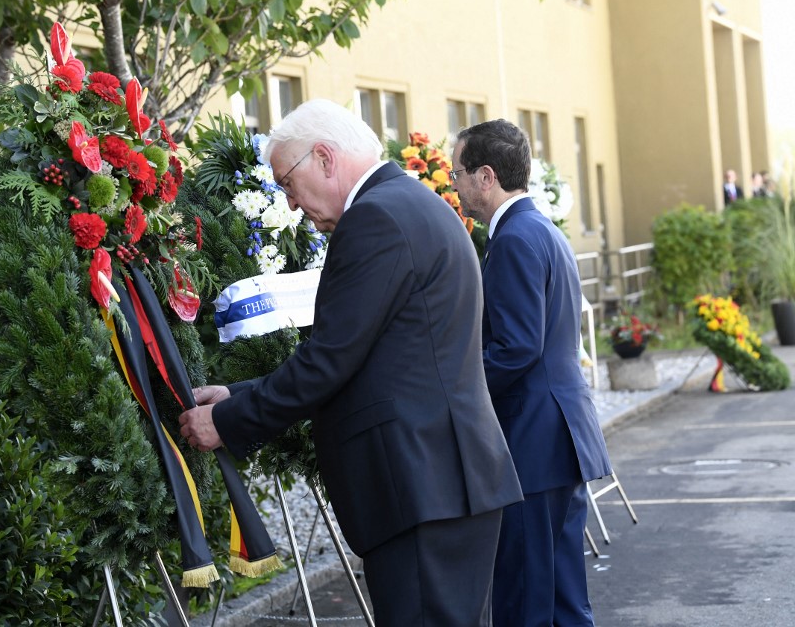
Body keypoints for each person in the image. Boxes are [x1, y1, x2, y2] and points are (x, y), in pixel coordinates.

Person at [180, 99, 523, 626]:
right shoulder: (410, 204)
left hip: (423, 488)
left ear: (324, 157)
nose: (291, 205)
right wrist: (239, 395)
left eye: (288, 184)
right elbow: (369, 356)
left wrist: (226, 421)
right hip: (443, 482)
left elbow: (329, 361)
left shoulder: (376, 217)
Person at [452, 119, 613, 627]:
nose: (453, 184)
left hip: (534, 439)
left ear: (485, 176)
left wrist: (458, 391)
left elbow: (517, 347)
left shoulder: (516, 237)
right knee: (565, 599)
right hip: (560, 436)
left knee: (525, 599)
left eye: (457, 173)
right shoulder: (542, 229)